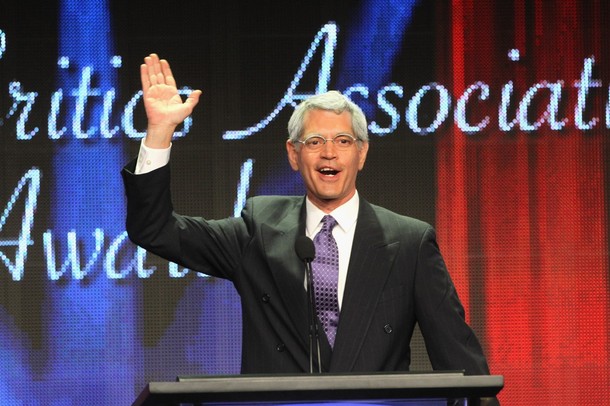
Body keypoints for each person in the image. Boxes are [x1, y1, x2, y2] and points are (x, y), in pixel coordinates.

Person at [122, 53, 491, 376]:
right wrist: (159, 132)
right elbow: (156, 231)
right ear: (293, 154)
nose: (329, 153)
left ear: (361, 154)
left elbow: (459, 359)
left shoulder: (408, 243)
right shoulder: (259, 229)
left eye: (343, 142)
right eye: (314, 142)